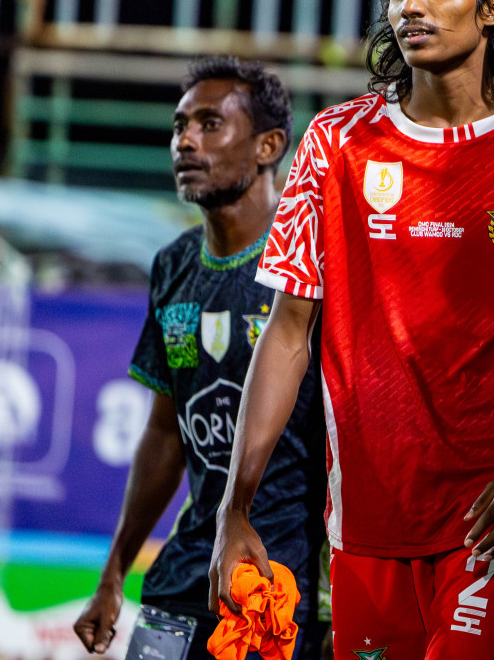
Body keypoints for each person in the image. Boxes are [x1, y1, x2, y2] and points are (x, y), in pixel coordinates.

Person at [210, 0, 494, 660]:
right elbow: (286, 333)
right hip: (367, 522)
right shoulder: (337, 143)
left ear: (493, 8)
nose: (409, 5)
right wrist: (233, 509)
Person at [74, 57, 327, 660]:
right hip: (184, 578)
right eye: (180, 126)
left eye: (211, 124)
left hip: (282, 585)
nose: (185, 140)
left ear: (269, 145)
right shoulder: (174, 265)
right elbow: (166, 433)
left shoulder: (313, 265)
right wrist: (113, 572)